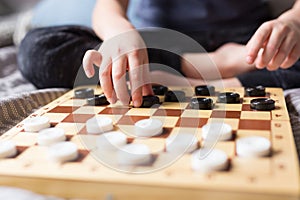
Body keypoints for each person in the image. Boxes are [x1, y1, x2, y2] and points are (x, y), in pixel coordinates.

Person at [18, 0, 300, 108]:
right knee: (40, 49)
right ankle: (208, 66)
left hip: (250, 43)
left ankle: (209, 72)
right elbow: (108, 7)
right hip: (157, 46)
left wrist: (294, 21)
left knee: (290, 49)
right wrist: (120, 34)